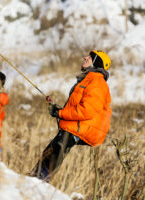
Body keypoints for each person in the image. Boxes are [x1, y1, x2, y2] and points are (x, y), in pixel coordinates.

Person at [31, 50, 112, 181]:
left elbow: (86, 111)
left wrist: (61, 113)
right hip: (75, 127)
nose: (85, 57)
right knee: (48, 154)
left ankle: (37, 183)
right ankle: (34, 180)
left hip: (80, 129)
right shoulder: (89, 80)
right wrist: (59, 111)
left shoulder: (97, 83)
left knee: (52, 157)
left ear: (97, 63)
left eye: (90, 57)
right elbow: (79, 108)